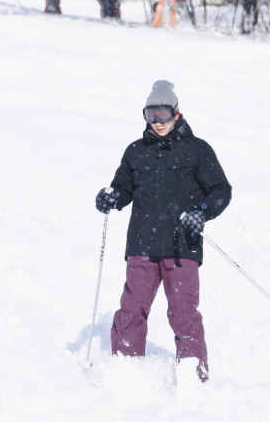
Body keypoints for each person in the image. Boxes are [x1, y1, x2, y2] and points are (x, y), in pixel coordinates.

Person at [95, 79, 232, 384]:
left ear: (176, 113)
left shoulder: (197, 150)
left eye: (163, 113)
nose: (157, 122)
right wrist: (111, 198)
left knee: (183, 312)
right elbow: (123, 189)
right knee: (132, 308)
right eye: (150, 115)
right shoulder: (135, 152)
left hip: (181, 245)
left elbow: (221, 190)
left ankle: (193, 374)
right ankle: (124, 368)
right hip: (143, 244)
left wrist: (203, 212)